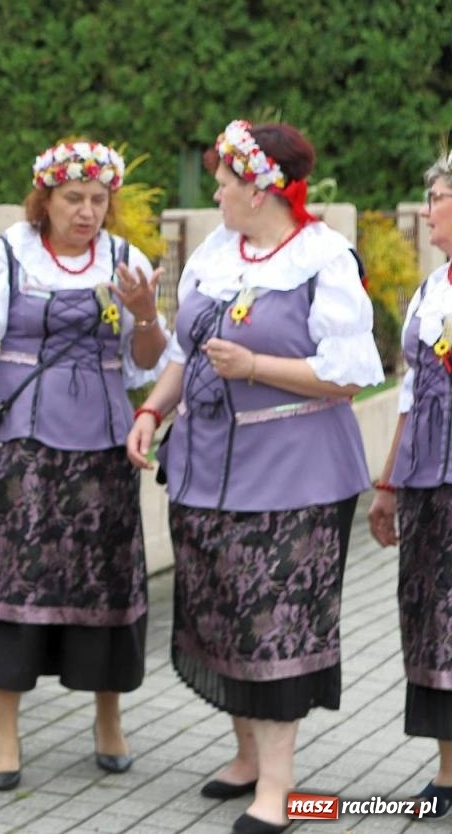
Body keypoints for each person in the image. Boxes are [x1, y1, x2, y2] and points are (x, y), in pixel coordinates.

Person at [128, 121, 381, 834]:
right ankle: (245, 757)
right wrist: (152, 409)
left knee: (275, 624)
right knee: (219, 615)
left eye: (224, 182)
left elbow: (350, 374)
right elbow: (186, 353)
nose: (215, 193)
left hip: (296, 474)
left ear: (261, 188)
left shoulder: (324, 258)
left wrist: (256, 367)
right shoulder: (217, 253)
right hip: (206, 469)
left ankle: (278, 787)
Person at [0, 138, 167, 791]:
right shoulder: (9, 254)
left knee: (107, 580)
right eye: (73, 198)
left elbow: (148, 359)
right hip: (23, 446)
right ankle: (5, 736)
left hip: (103, 447)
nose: (87, 211)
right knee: (11, 578)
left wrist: (147, 315)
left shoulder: (125, 261)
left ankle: (109, 719)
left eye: (97, 199)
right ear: (46, 199)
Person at [368, 152, 452, 821]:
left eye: (437, 198)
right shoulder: (430, 290)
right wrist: (388, 483)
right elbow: (410, 391)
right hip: (427, 476)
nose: (427, 212)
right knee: (434, 618)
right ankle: (449, 770)